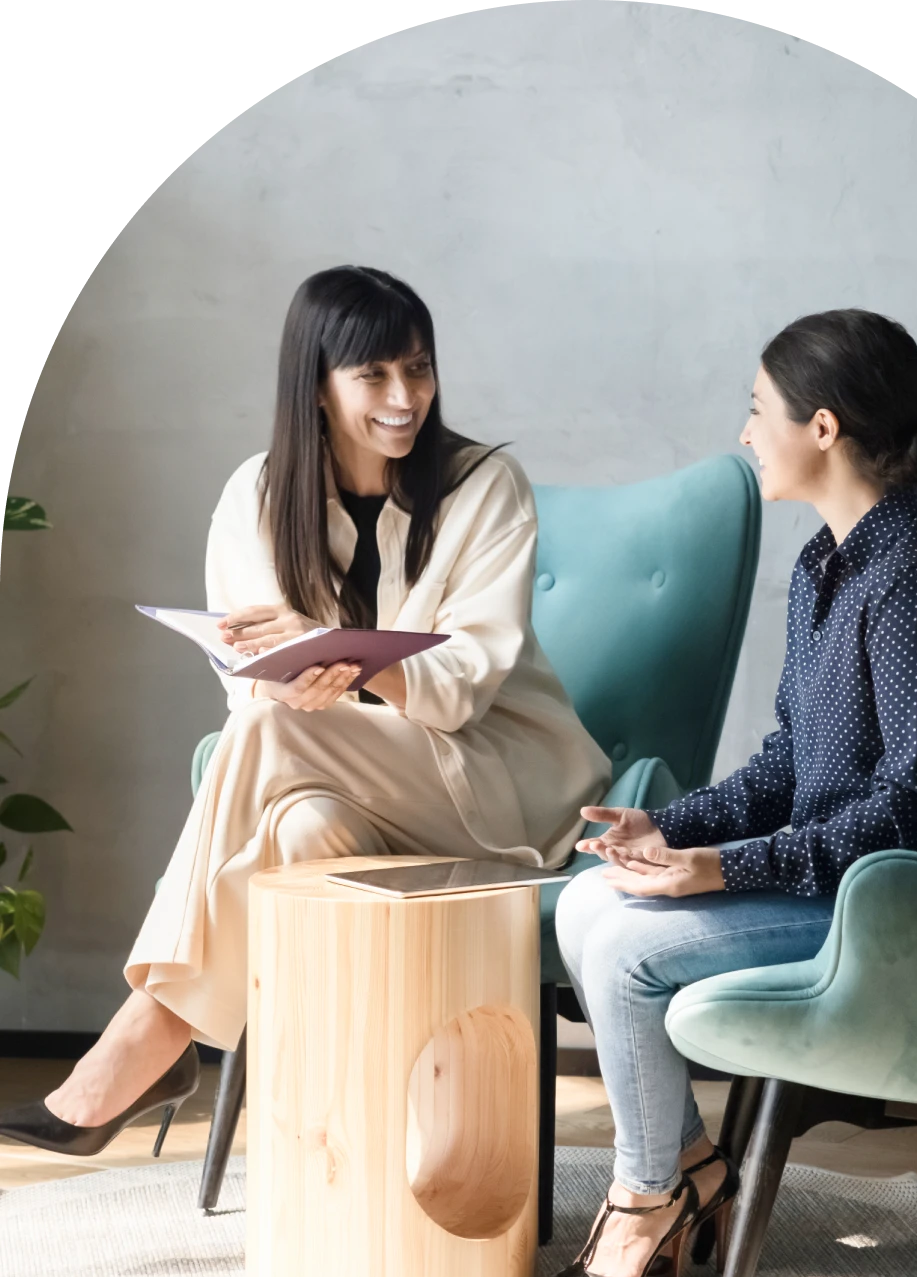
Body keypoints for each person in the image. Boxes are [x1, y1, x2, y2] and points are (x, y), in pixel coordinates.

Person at [0, 266, 610, 1157]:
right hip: (343, 784)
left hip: (503, 791)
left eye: (418, 369)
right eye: (374, 376)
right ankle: (343, 1139)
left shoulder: (485, 485)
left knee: (272, 734)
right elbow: (249, 681)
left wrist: (332, 655)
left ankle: (149, 1036)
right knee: (301, 828)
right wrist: (297, 669)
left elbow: (464, 685)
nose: (406, 398)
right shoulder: (256, 494)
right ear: (316, 386)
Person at [542, 308, 917, 1277]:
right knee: (591, 907)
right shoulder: (823, 566)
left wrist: (721, 870)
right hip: (848, 882)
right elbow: (786, 767)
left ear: (821, 428)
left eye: (756, 408)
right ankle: (685, 1167)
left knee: (631, 949)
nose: (742, 432)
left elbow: (913, 805)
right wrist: (668, 828)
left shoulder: (909, 579)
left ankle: (649, 1192)